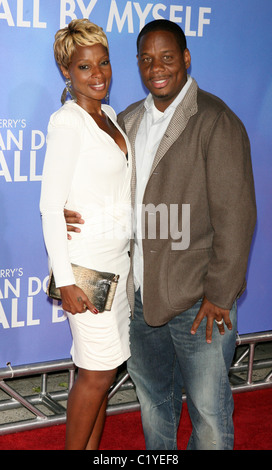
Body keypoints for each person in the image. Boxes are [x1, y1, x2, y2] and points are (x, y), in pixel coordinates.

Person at [64, 19, 257, 450]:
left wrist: (221, 295)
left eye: (167, 57)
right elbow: (109, 195)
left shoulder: (216, 119)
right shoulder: (127, 120)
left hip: (200, 303)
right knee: (155, 405)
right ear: (138, 65)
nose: (157, 68)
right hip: (139, 299)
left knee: (208, 415)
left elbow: (237, 216)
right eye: (147, 59)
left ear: (186, 59)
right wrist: (64, 211)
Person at [40, 19, 132, 450]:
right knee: (95, 374)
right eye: (84, 67)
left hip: (119, 264)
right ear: (66, 72)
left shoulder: (110, 115)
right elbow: (48, 206)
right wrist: (66, 281)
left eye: (104, 62)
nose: (98, 74)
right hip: (85, 269)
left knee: (105, 372)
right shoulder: (67, 122)